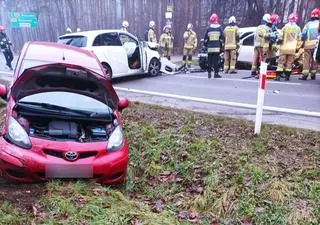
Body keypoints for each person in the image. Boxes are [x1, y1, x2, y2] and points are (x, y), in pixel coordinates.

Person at [275, 13, 301, 81]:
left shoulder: (285, 27)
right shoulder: (298, 29)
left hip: (284, 48)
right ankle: (287, 77)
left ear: (289, 19)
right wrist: (297, 48)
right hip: (292, 49)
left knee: (281, 62)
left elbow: (280, 37)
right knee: (289, 63)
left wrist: (278, 45)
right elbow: (299, 39)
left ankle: (278, 77)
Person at [299, 8, 320, 80]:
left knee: (306, 60)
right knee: (314, 60)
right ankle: (313, 74)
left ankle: (305, 75)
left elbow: (303, 34)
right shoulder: (319, 24)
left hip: (308, 45)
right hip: (317, 45)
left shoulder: (308, 24)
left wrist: (302, 41)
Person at [203, 14, 224, 78]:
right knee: (216, 61)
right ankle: (216, 73)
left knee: (209, 60)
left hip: (210, 48)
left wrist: (206, 45)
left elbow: (205, 38)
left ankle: (209, 74)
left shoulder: (208, 28)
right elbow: (222, 38)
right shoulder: (220, 28)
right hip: (217, 47)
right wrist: (221, 46)